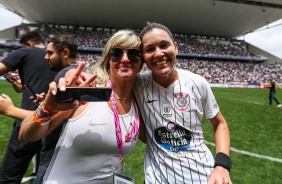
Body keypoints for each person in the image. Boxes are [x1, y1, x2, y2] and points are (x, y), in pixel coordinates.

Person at [19, 29, 144, 183]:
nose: (125, 59)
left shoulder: (138, 101)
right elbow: (26, 134)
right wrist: (47, 108)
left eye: (133, 54)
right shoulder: (87, 91)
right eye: (116, 53)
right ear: (107, 59)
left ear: (142, 62)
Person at [132, 22, 232, 184]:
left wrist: (222, 165)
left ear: (176, 47)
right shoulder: (137, 85)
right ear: (143, 57)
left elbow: (220, 123)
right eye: (150, 49)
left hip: (202, 175)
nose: (159, 54)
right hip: (156, 178)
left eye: (164, 45)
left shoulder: (197, 83)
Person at [0, 31, 57, 184]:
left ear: (29, 44)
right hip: (53, 122)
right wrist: (15, 83)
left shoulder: (25, 51)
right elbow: (22, 89)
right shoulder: (56, 58)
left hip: (28, 121)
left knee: (9, 176)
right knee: (44, 172)